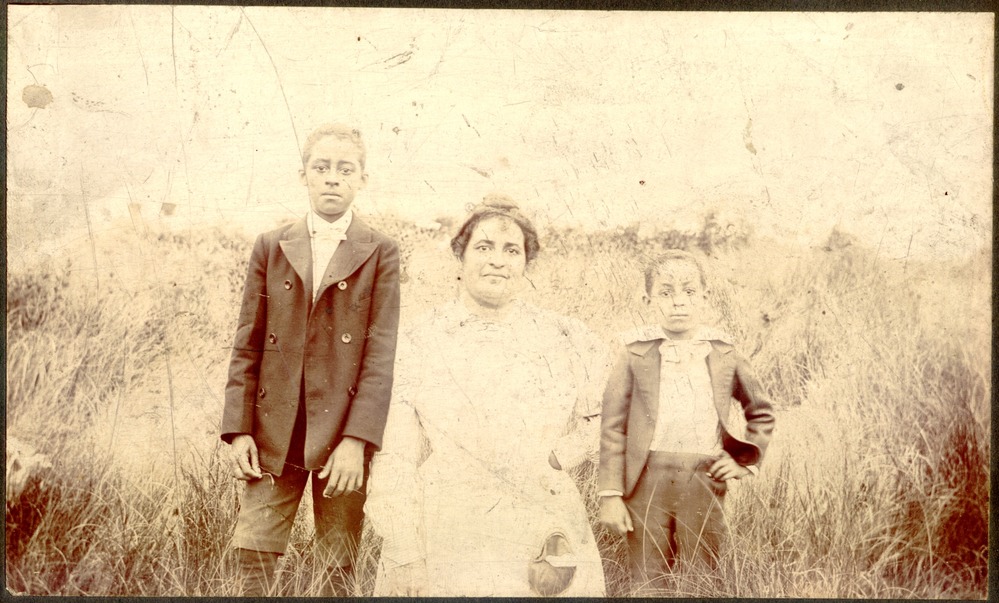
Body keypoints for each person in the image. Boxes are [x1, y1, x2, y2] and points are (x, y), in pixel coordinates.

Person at [365, 196, 607, 596]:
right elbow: (396, 455)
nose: (498, 260)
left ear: (527, 263)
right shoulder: (420, 340)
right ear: (460, 257)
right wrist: (405, 550)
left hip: (543, 520)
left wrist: (560, 458)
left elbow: (605, 416)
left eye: (512, 250)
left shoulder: (565, 337)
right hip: (450, 526)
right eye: (484, 247)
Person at [220, 123, 400, 596]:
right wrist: (239, 429)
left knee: (336, 565)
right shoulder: (271, 245)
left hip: (340, 434)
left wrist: (357, 441)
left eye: (346, 169)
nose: (332, 178)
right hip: (273, 430)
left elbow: (381, 358)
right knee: (252, 553)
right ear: (303, 175)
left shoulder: (381, 252)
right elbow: (248, 342)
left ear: (363, 177)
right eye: (321, 168)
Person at [598, 249, 775, 594]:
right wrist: (610, 494)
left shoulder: (725, 353)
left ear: (705, 297)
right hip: (645, 481)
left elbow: (761, 411)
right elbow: (612, 427)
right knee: (647, 579)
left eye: (689, 292)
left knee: (703, 577)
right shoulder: (634, 353)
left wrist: (744, 462)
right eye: (666, 292)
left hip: (703, 478)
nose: (678, 302)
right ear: (649, 299)